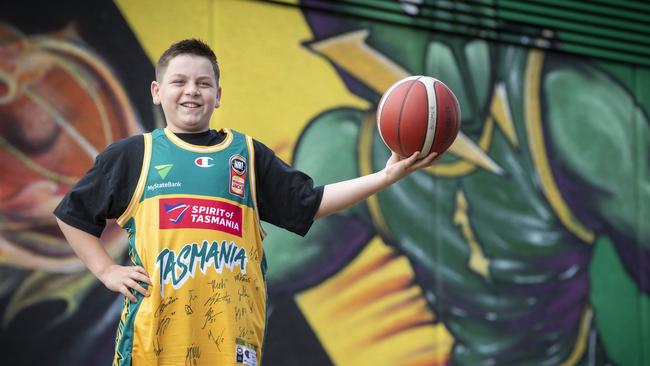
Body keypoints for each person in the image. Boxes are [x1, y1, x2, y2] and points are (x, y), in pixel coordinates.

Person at [54, 38, 437, 366]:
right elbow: (73, 216)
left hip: (232, 342)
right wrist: (106, 270)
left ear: (218, 95)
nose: (192, 91)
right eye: (179, 82)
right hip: (153, 342)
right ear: (157, 91)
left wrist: (385, 176)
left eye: (204, 83)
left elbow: (312, 203)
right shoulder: (134, 155)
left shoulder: (248, 156)